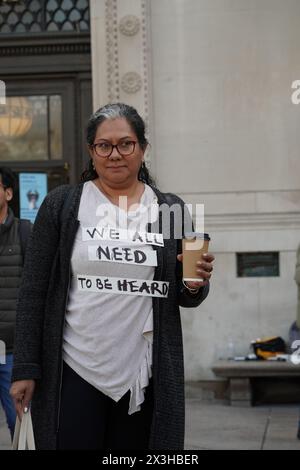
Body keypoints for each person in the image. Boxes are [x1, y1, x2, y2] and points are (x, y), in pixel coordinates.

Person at [10, 103, 215, 450]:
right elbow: (33, 291)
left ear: (143, 148)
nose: (115, 154)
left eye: (126, 144)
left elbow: (185, 293)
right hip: (74, 366)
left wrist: (196, 283)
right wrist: (26, 367)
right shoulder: (62, 205)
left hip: (142, 371)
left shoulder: (171, 209)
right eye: (104, 145)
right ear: (92, 151)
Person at [0, 167, 31, 441]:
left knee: (18, 423)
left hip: (11, 351)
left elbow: (36, 292)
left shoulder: (24, 232)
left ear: (8, 193)